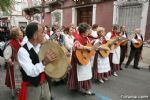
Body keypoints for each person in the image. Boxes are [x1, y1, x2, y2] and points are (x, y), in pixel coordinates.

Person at [17, 22, 57, 100]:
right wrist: (44, 62)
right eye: (42, 32)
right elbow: (31, 72)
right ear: (35, 35)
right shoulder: (23, 51)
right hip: (32, 89)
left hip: (45, 85)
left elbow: (49, 66)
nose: (44, 34)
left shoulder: (42, 47)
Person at [67, 23, 95, 95]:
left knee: (85, 74)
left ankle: (86, 88)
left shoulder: (87, 38)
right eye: (88, 30)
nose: (89, 31)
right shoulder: (78, 38)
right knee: (78, 74)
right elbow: (76, 46)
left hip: (85, 58)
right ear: (84, 31)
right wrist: (87, 47)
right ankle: (77, 87)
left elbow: (90, 46)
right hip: (77, 60)